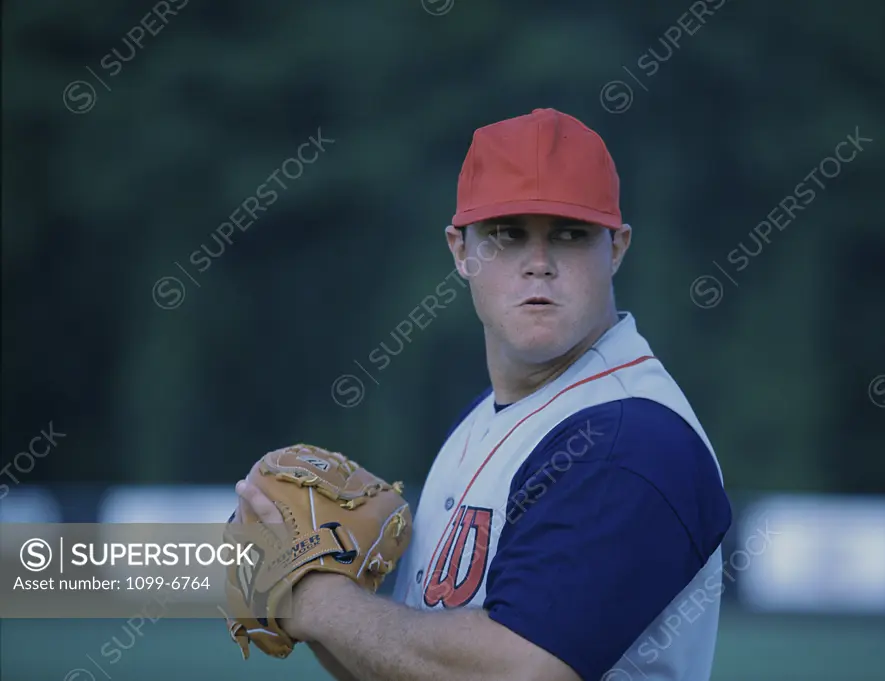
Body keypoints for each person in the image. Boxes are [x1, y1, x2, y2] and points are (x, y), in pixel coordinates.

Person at [234, 107, 732, 681]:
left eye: (570, 235)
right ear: (459, 250)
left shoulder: (632, 437)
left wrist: (318, 602)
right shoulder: (487, 422)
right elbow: (414, 670)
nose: (539, 264)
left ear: (616, 248)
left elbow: (518, 671)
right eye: (507, 234)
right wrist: (314, 608)